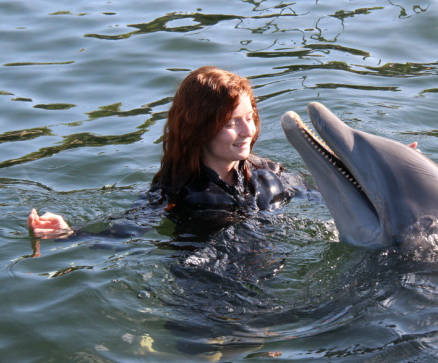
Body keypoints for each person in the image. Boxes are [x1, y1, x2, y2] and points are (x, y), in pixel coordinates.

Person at [28, 66, 299, 238]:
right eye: (231, 123)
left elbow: (323, 195)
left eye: (249, 118)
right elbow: (128, 228)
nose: (247, 131)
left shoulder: (268, 172)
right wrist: (69, 233)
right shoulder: (177, 191)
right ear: (199, 129)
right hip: (207, 288)